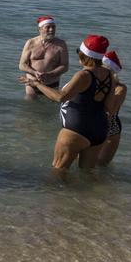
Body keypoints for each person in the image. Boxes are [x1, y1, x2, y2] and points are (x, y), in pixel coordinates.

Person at [24, 34, 116, 170]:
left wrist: (37, 84)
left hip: (76, 130)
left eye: (79, 51)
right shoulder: (109, 75)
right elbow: (109, 107)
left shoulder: (83, 75)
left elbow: (60, 97)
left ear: (85, 55)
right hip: (99, 130)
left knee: (58, 172)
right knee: (88, 174)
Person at [18, 15, 69, 100]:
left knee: (49, 110)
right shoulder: (30, 43)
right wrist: (34, 72)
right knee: (29, 109)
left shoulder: (61, 44)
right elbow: (22, 65)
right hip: (32, 83)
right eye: (48, 27)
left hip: (52, 84)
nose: (51, 30)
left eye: (53, 27)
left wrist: (49, 74)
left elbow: (65, 66)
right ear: (40, 29)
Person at [99, 51, 126, 167]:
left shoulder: (119, 88)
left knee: (102, 166)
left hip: (110, 128)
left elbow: (110, 113)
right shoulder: (93, 81)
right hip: (92, 126)